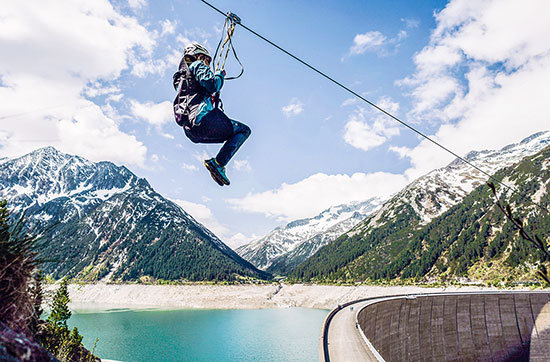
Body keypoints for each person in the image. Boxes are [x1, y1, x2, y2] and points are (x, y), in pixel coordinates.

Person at [172, 42, 251, 186]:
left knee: (235, 132)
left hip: (191, 130)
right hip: (202, 120)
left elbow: (200, 92)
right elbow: (213, 83)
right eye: (207, 60)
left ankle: (218, 164)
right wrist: (219, 75)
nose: (208, 64)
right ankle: (218, 164)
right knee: (244, 130)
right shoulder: (196, 65)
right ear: (199, 55)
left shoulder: (181, 79)